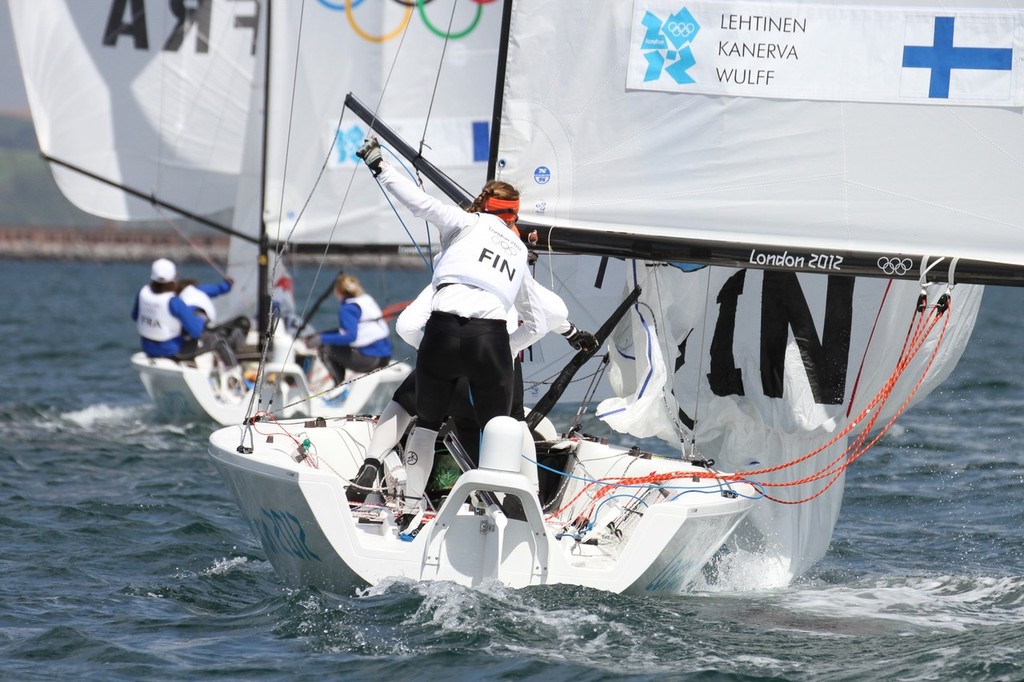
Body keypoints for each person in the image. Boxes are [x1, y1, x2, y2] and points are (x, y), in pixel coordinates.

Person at [353, 136, 575, 518]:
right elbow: (540, 319)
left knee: (425, 424)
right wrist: (506, 345)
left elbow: (417, 202)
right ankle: (505, 510)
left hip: (439, 333)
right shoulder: (520, 251)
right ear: (513, 218)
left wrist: (379, 165)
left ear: (482, 206)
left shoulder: (464, 223)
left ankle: (409, 509)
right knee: (500, 429)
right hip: (488, 341)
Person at [346, 276, 598, 506]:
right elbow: (552, 314)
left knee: (410, 410)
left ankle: (381, 473)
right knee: (513, 422)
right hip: (490, 365)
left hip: (443, 356)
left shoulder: (451, 271)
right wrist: (569, 332)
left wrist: (429, 349)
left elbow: (406, 325)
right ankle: (526, 498)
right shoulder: (511, 269)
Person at [304, 273, 393, 389]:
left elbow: (350, 336)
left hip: (371, 360)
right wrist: (322, 335)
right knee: (331, 343)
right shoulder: (365, 300)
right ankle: (340, 383)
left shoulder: (348, 308)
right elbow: (347, 331)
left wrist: (321, 339)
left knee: (325, 348)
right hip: (384, 357)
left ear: (338, 291)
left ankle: (337, 386)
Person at [131, 258, 207, 359]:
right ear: (173, 277)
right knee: (217, 340)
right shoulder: (174, 301)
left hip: (147, 348)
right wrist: (202, 318)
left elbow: (135, 316)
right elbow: (196, 332)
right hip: (171, 351)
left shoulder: (142, 292)